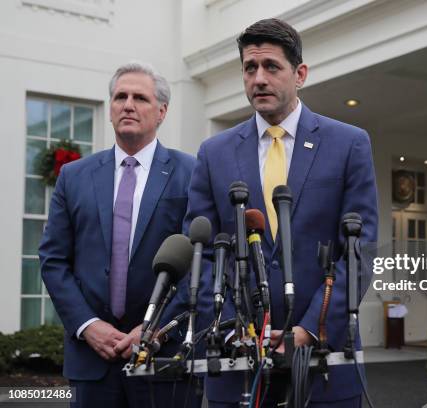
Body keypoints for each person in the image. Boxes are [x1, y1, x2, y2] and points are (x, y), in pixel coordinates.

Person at [183, 18, 378, 407]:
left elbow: (359, 251)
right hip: (238, 365)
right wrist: (234, 328)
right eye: (249, 68)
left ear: (299, 74)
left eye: (271, 67)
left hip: (324, 365)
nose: (258, 78)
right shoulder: (213, 153)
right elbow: (200, 253)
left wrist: (309, 329)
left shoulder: (349, 144)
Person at [39, 62, 199, 408]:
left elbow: (200, 263)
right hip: (91, 360)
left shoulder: (190, 172)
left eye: (139, 97)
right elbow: (53, 261)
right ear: (111, 108)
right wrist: (87, 324)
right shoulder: (73, 177)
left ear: (161, 112)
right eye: (119, 97)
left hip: (162, 359)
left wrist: (157, 327)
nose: (127, 104)